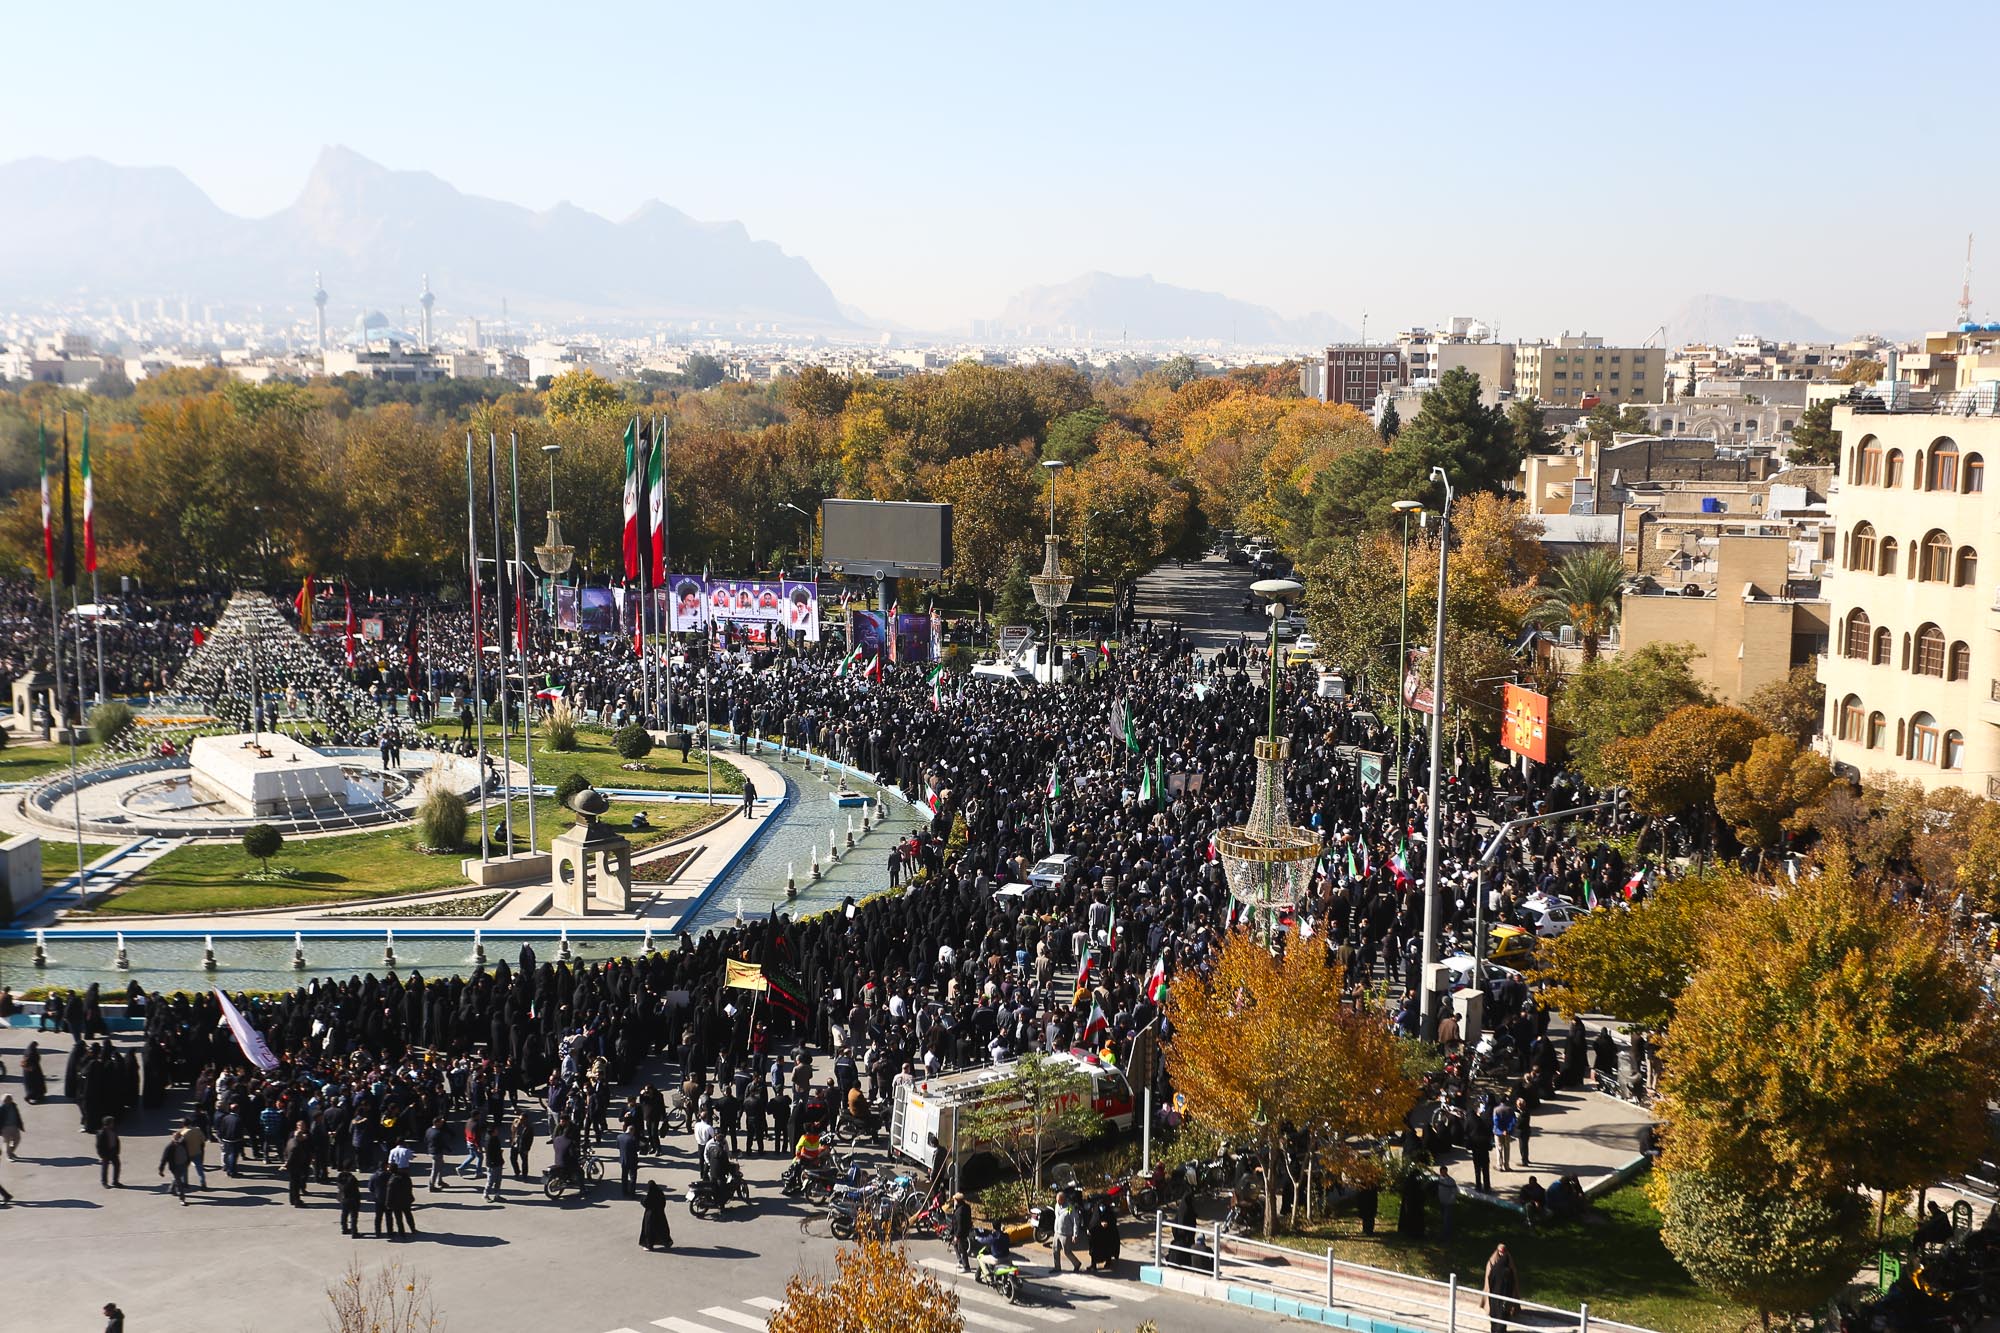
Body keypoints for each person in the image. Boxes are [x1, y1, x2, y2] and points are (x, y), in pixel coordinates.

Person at [1484, 1244, 1519, 1333]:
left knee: (1498, 1313)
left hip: (1499, 1293)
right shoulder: (1493, 1261)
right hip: (1499, 1293)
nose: (1501, 1254)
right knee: (1500, 1313)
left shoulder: (1508, 1264)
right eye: (1500, 1251)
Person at [1052, 1184, 1083, 1275]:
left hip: (1066, 1234)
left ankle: (1077, 1263)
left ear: (1063, 1199)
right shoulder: (1057, 1206)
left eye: (1059, 1201)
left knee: (1067, 1252)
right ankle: (1057, 1267)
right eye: (1057, 1200)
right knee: (1055, 1250)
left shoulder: (1069, 1207)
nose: (1058, 1202)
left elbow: (1075, 1221)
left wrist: (1075, 1234)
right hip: (1057, 1232)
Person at [158, 1127, 192, 1205]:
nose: (180, 1140)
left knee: (178, 1178)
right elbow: (164, 1159)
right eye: (178, 1139)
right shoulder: (170, 1147)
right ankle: (182, 1199)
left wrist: (188, 1161)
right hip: (175, 1167)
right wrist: (161, 1170)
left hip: (183, 1164)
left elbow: (187, 1152)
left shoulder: (184, 1142)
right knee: (180, 1183)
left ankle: (172, 1189)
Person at [640, 1178, 674, 1250]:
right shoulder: (660, 1192)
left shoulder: (650, 1194)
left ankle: (649, 1245)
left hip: (650, 1215)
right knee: (662, 1229)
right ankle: (667, 1242)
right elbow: (663, 1202)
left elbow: (645, 1203)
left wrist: (641, 1200)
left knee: (649, 1231)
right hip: (660, 1214)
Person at [950, 1191, 975, 1270]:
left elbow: (960, 1224)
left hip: (961, 1232)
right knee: (955, 1245)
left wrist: (957, 1236)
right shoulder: (966, 1207)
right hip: (963, 1230)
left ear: (957, 1200)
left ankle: (966, 1266)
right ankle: (960, 1261)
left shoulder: (960, 1211)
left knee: (962, 1249)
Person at [95, 1116, 120, 1189]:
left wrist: (117, 1150)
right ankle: (104, 1182)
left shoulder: (113, 1130)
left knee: (117, 1165)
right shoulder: (101, 1133)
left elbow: (116, 1140)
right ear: (108, 1124)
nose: (113, 1124)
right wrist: (102, 1155)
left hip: (113, 1151)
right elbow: (98, 1145)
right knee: (105, 1168)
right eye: (112, 1122)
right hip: (106, 1153)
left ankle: (115, 1181)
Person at [1492, 1099, 1516, 1173]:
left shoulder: (1496, 1109)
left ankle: (1499, 1165)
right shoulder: (1510, 1109)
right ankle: (1507, 1166)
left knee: (1499, 1149)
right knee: (1507, 1148)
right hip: (1507, 1133)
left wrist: (1501, 1130)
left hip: (1498, 1132)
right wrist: (1507, 1130)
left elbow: (1496, 1121)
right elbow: (1513, 1121)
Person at [0, 1093, 24, 1160]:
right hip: (5, 1128)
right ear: (4, 1101)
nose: (10, 1100)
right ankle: (9, 1156)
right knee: (7, 1142)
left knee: (17, 1139)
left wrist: (20, 1124)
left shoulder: (13, 1106)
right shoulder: (1, 1109)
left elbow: (17, 1115)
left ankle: (10, 1152)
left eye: (10, 1099)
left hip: (14, 1126)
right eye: (7, 1100)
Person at [337, 1169, 362, 1235]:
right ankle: (354, 1232)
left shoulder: (340, 1177)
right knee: (353, 1216)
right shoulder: (352, 1178)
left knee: (344, 1214)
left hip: (343, 1198)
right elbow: (356, 1188)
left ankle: (344, 1229)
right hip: (352, 1199)